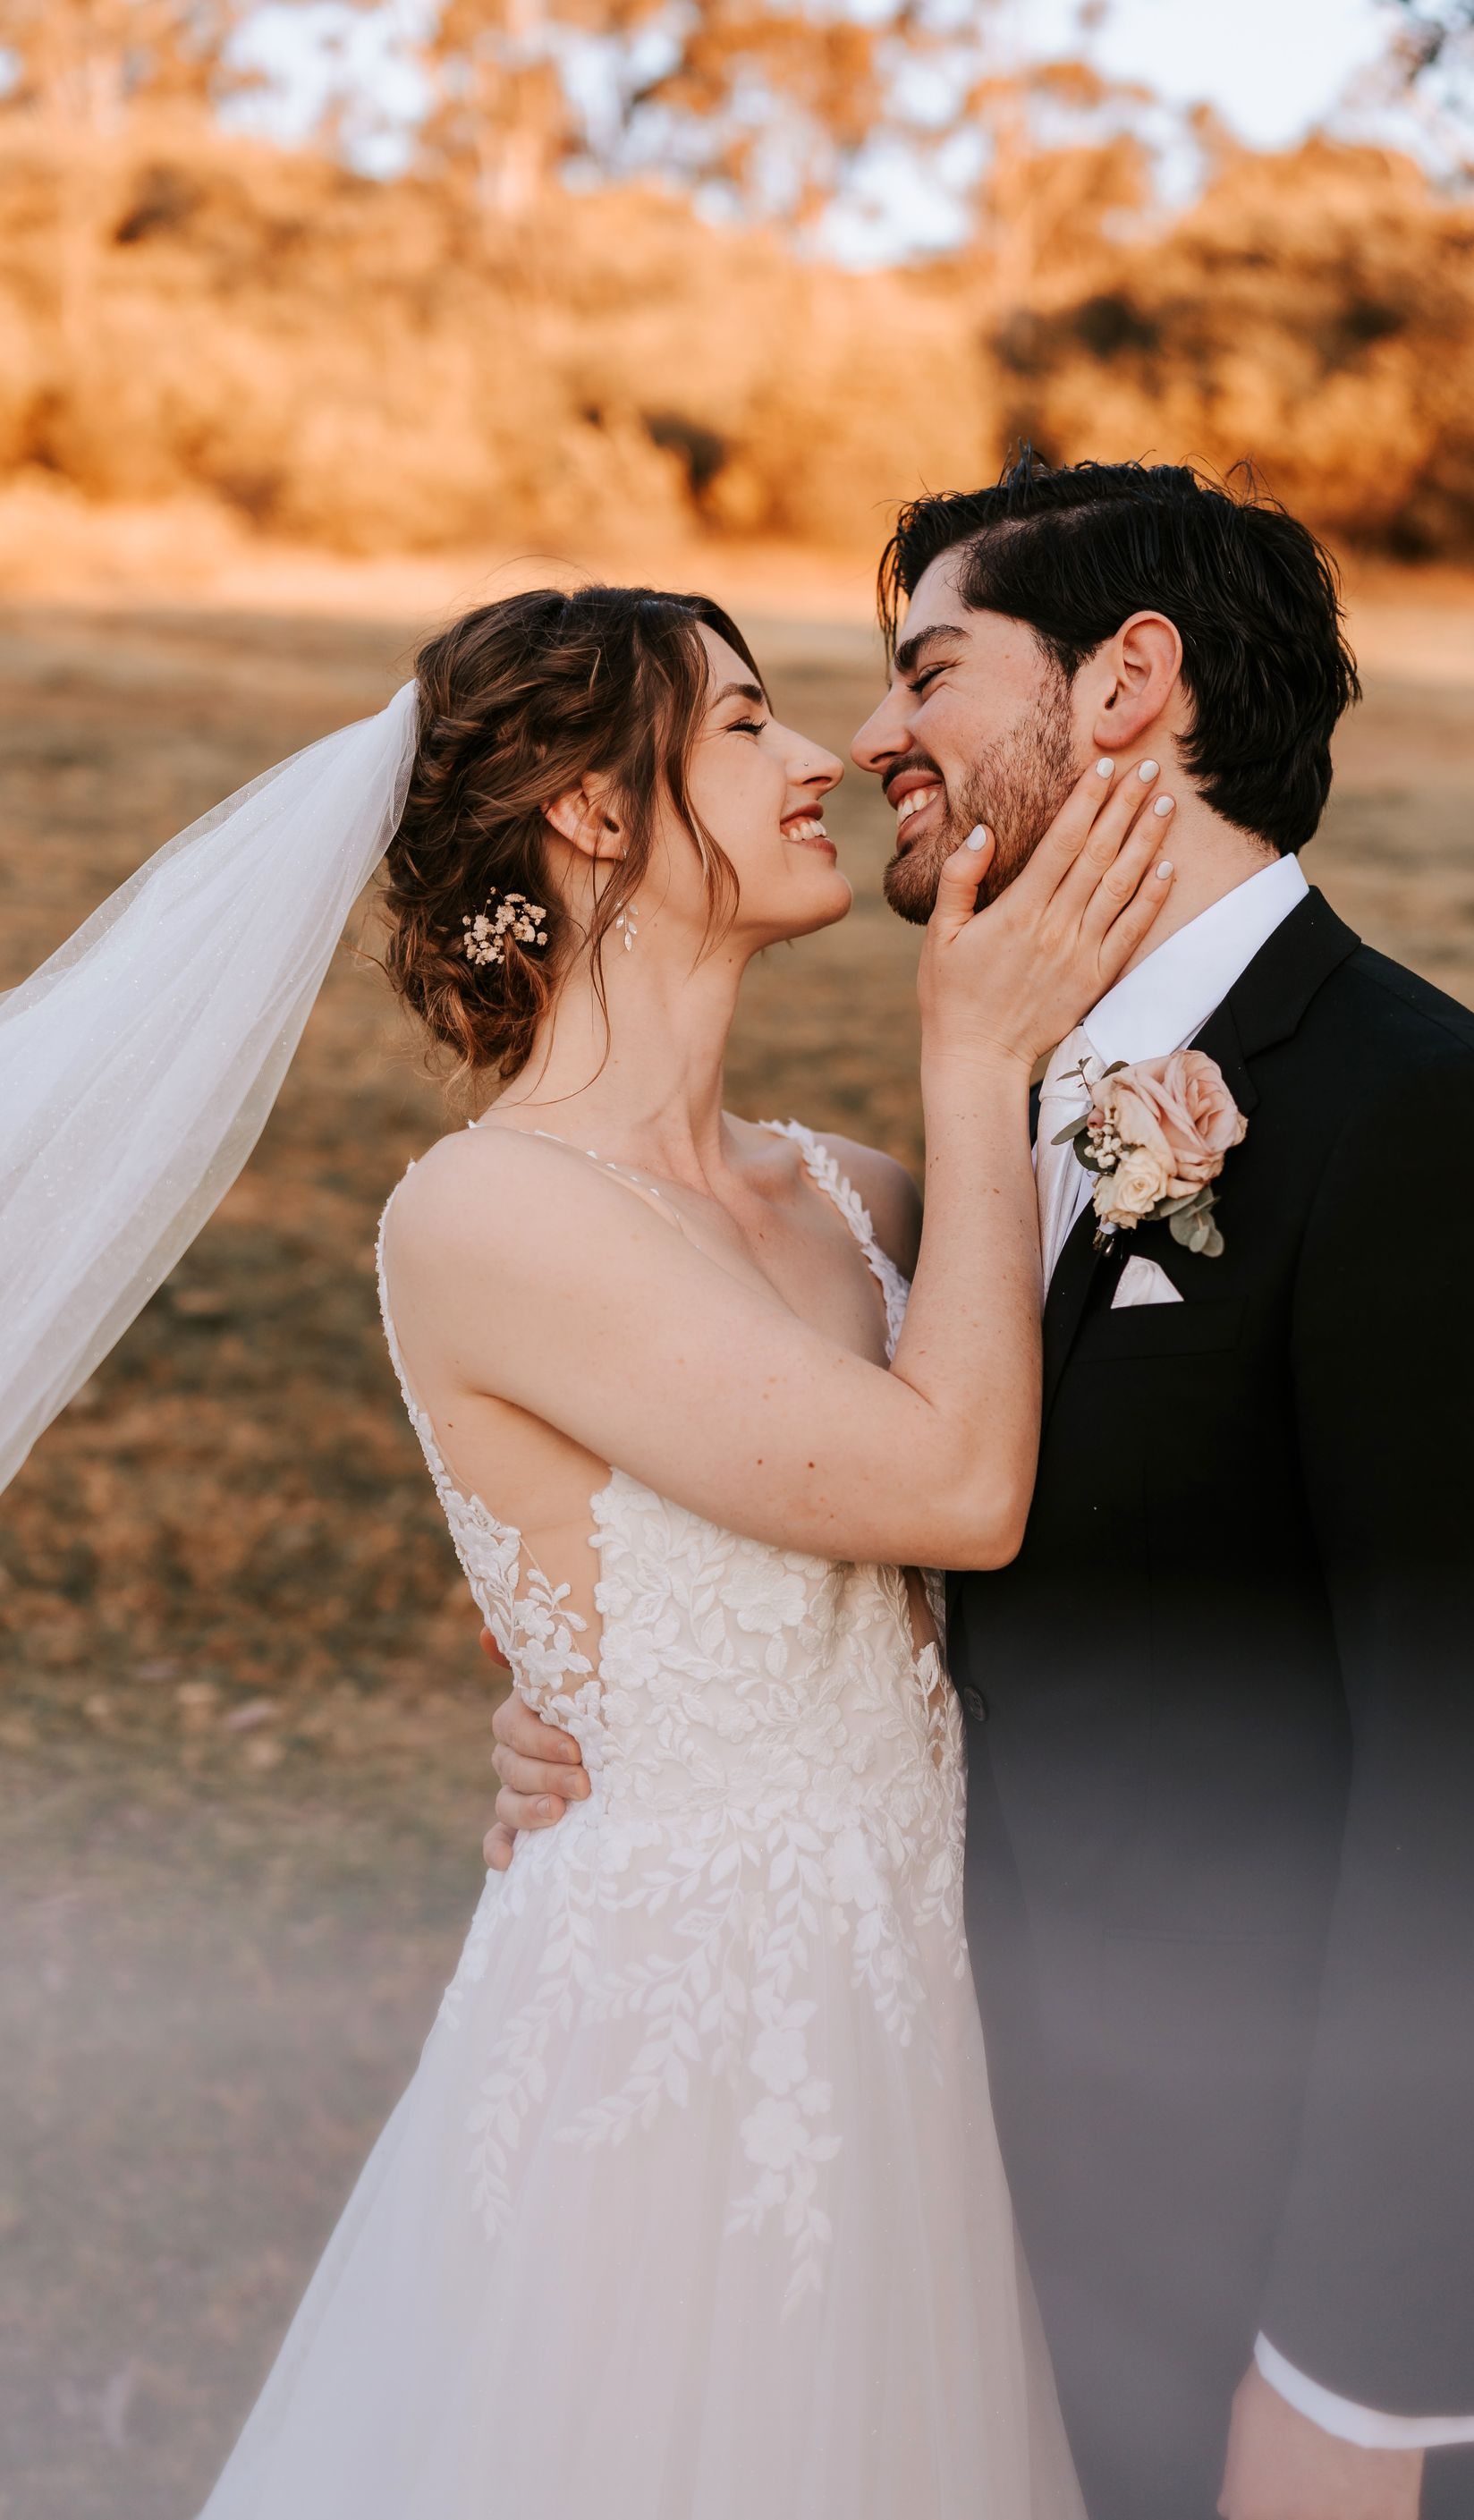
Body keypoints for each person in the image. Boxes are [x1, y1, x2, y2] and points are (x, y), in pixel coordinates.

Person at [487, 461, 1474, 2520]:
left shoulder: (1425, 1123)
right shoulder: (1026, 1129)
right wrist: (614, 1695)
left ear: (1128, 684)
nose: (881, 740)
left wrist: (1358, 2373)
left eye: (929, 669)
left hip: (1293, 2262)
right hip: (1010, 2202)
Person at [2, 577, 1187, 2516]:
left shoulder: (855, 1191)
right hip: (691, 2050)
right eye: (742, 723)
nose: (822, 760)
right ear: (591, 811)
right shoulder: (485, 1216)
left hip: (932, 2018)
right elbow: (956, 1488)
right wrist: (978, 1064)